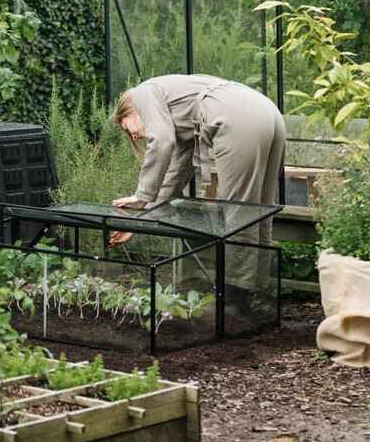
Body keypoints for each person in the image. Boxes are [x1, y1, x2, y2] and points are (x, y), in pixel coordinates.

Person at [110, 74, 285, 311]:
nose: (135, 136)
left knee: (239, 212)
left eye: (127, 128)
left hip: (237, 117)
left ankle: (234, 301)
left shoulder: (141, 93)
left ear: (128, 111)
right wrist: (137, 221)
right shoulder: (179, 118)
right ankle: (260, 294)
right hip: (265, 111)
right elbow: (173, 176)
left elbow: (160, 142)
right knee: (259, 212)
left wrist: (141, 194)